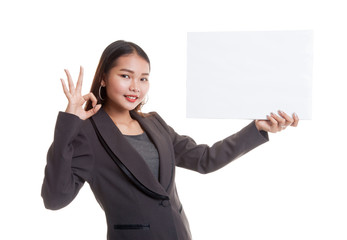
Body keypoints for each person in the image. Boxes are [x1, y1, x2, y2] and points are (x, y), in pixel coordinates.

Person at [41, 40, 299, 240]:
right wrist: (69, 123)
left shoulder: (154, 123)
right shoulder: (87, 133)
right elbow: (55, 199)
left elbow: (204, 160)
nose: (136, 87)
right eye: (125, 76)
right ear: (105, 78)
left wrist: (257, 128)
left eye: (143, 78)